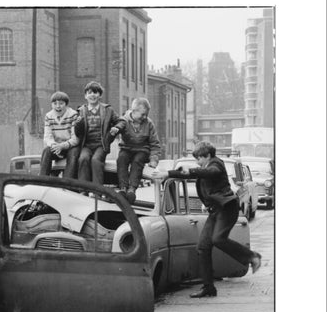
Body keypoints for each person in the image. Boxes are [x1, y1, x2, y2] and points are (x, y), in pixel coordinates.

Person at [168, 141, 262, 298]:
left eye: (199, 159)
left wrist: (178, 172)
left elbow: (210, 172)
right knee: (203, 247)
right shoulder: (207, 166)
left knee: (218, 239)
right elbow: (201, 179)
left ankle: (252, 256)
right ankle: (208, 287)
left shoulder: (216, 164)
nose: (198, 162)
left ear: (207, 156)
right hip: (215, 211)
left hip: (227, 209)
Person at [110, 98, 161, 204]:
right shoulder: (124, 120)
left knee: (138, 161)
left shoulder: (149, 123)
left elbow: (155, 144)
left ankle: (132, 189)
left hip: (142, 149)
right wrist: (115, 130)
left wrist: (153, 160)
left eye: (146, 114)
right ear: (133, 111)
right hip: (127, 148)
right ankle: (123, 187)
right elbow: (118, 126)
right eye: (142, 114)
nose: (145, 117)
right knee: (121, 159)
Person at [74, 81, 121, 185]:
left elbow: (121, 121)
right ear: (85, 96)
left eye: (95, 92)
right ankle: (84, 189)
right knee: (83, 159)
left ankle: (97, 192)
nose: (92, 95)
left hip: (101, 144)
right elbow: (78, 133)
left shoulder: (108, 110)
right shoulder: (81, 111)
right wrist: (77, 124)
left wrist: (116, 128)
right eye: (89, 93)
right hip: (86, 145)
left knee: (96, 160)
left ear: (100, 95)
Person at [40, 91, 80, 178]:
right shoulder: (48, 116)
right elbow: (47, 137)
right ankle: (42, 180)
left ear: (66, 105)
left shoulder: (73, 115)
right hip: (57, 146)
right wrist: (54, 145)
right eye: (55, 103)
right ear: (51, 105)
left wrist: (62, 146)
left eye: (61, 103)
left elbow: (76, 139)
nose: (58, 106)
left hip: (70, 146)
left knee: (73, 155)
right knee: (46, 151)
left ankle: (67, 183)